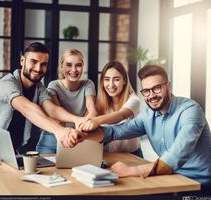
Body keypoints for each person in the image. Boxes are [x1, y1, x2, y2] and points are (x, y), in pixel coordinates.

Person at [83, 64, 211, 188]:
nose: (151, 95)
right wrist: (81, 135)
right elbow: (115, 131)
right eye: (146, 91)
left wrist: (132, 170)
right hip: (171, 179)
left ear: (169, 86)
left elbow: (175, 156)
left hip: (199, 184)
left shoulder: (190, 110)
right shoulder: (148, 115)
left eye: (156, 88)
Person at [0, 42, 86, 156]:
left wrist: (77, 120)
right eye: (33, 62)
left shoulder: (39, 88)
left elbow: (52, 109)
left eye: (43, 64)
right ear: (22, 61)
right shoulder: (7, 83)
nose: (38, 68)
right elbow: (27, 108)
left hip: (12, 147)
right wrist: (59, 131)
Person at [36, 48, 97, 153]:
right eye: (69, 65)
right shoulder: (54, 85)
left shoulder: (88, 84)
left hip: (77, 139)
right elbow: (58, 119)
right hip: (51, 142)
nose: (74, 70)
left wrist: (79, 132)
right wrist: (79, 122)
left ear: (83, 67)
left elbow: (92, 111)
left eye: (78, 65)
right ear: (61, 67)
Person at [79, 61, 142, 157]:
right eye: (107, 79)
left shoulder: (134, 100)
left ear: (124, 80)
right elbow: (87, 122)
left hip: (132, 154)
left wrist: (96, 120)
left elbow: (121, 115)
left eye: (116, 79)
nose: (111, 84)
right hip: (109, 155)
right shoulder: (100, 103)